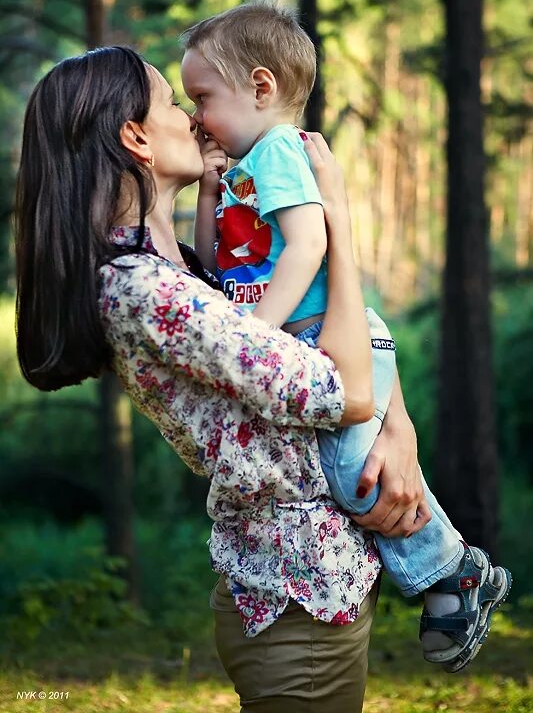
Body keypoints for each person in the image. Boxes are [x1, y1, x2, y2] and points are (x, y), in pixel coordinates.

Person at [15, 45, 430, 713]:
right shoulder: (146, 293)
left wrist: (400, 433)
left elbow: (347, 334)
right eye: (175, 104)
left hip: (322, 583)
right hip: (293, 603)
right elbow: (346, 392)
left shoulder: (180, 270)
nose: (195, 120)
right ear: (134, 137)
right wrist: (337, 228)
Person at [180, 0, 512, 673]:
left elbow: (306, 247)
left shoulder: (278, 153)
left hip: (333, 336)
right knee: (350, 472)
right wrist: (210, 195)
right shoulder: (244, 170)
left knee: (356, 475)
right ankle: (445, 573)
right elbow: (216, 267)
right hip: (295, 341)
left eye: (203, 96)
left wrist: (255, 336)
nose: (195, 117)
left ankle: (454, 571)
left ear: (261, 87)